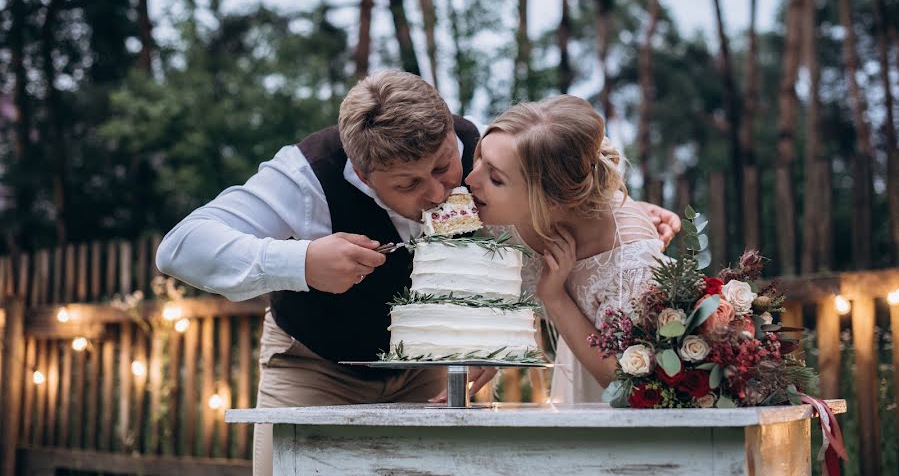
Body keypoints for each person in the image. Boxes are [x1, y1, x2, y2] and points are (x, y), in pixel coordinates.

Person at [156, 72, 679, 475]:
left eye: (443, 166)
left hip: (439, 375)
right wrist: (302, 263)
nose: (437, 193)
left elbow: (553, 198)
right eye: (408, 184)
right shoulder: (302, 177)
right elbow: (181, 248)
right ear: (363, 174)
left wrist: (629, 214)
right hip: (317, 368)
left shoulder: (481, 152)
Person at [465, 95, 669, 403]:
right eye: (480, 158)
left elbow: (626, 386)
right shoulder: (497, 201)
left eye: (495, 178)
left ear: (551, 200)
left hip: (604, 404)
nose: (469, 179)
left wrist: (554, 297)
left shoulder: (631, 260)